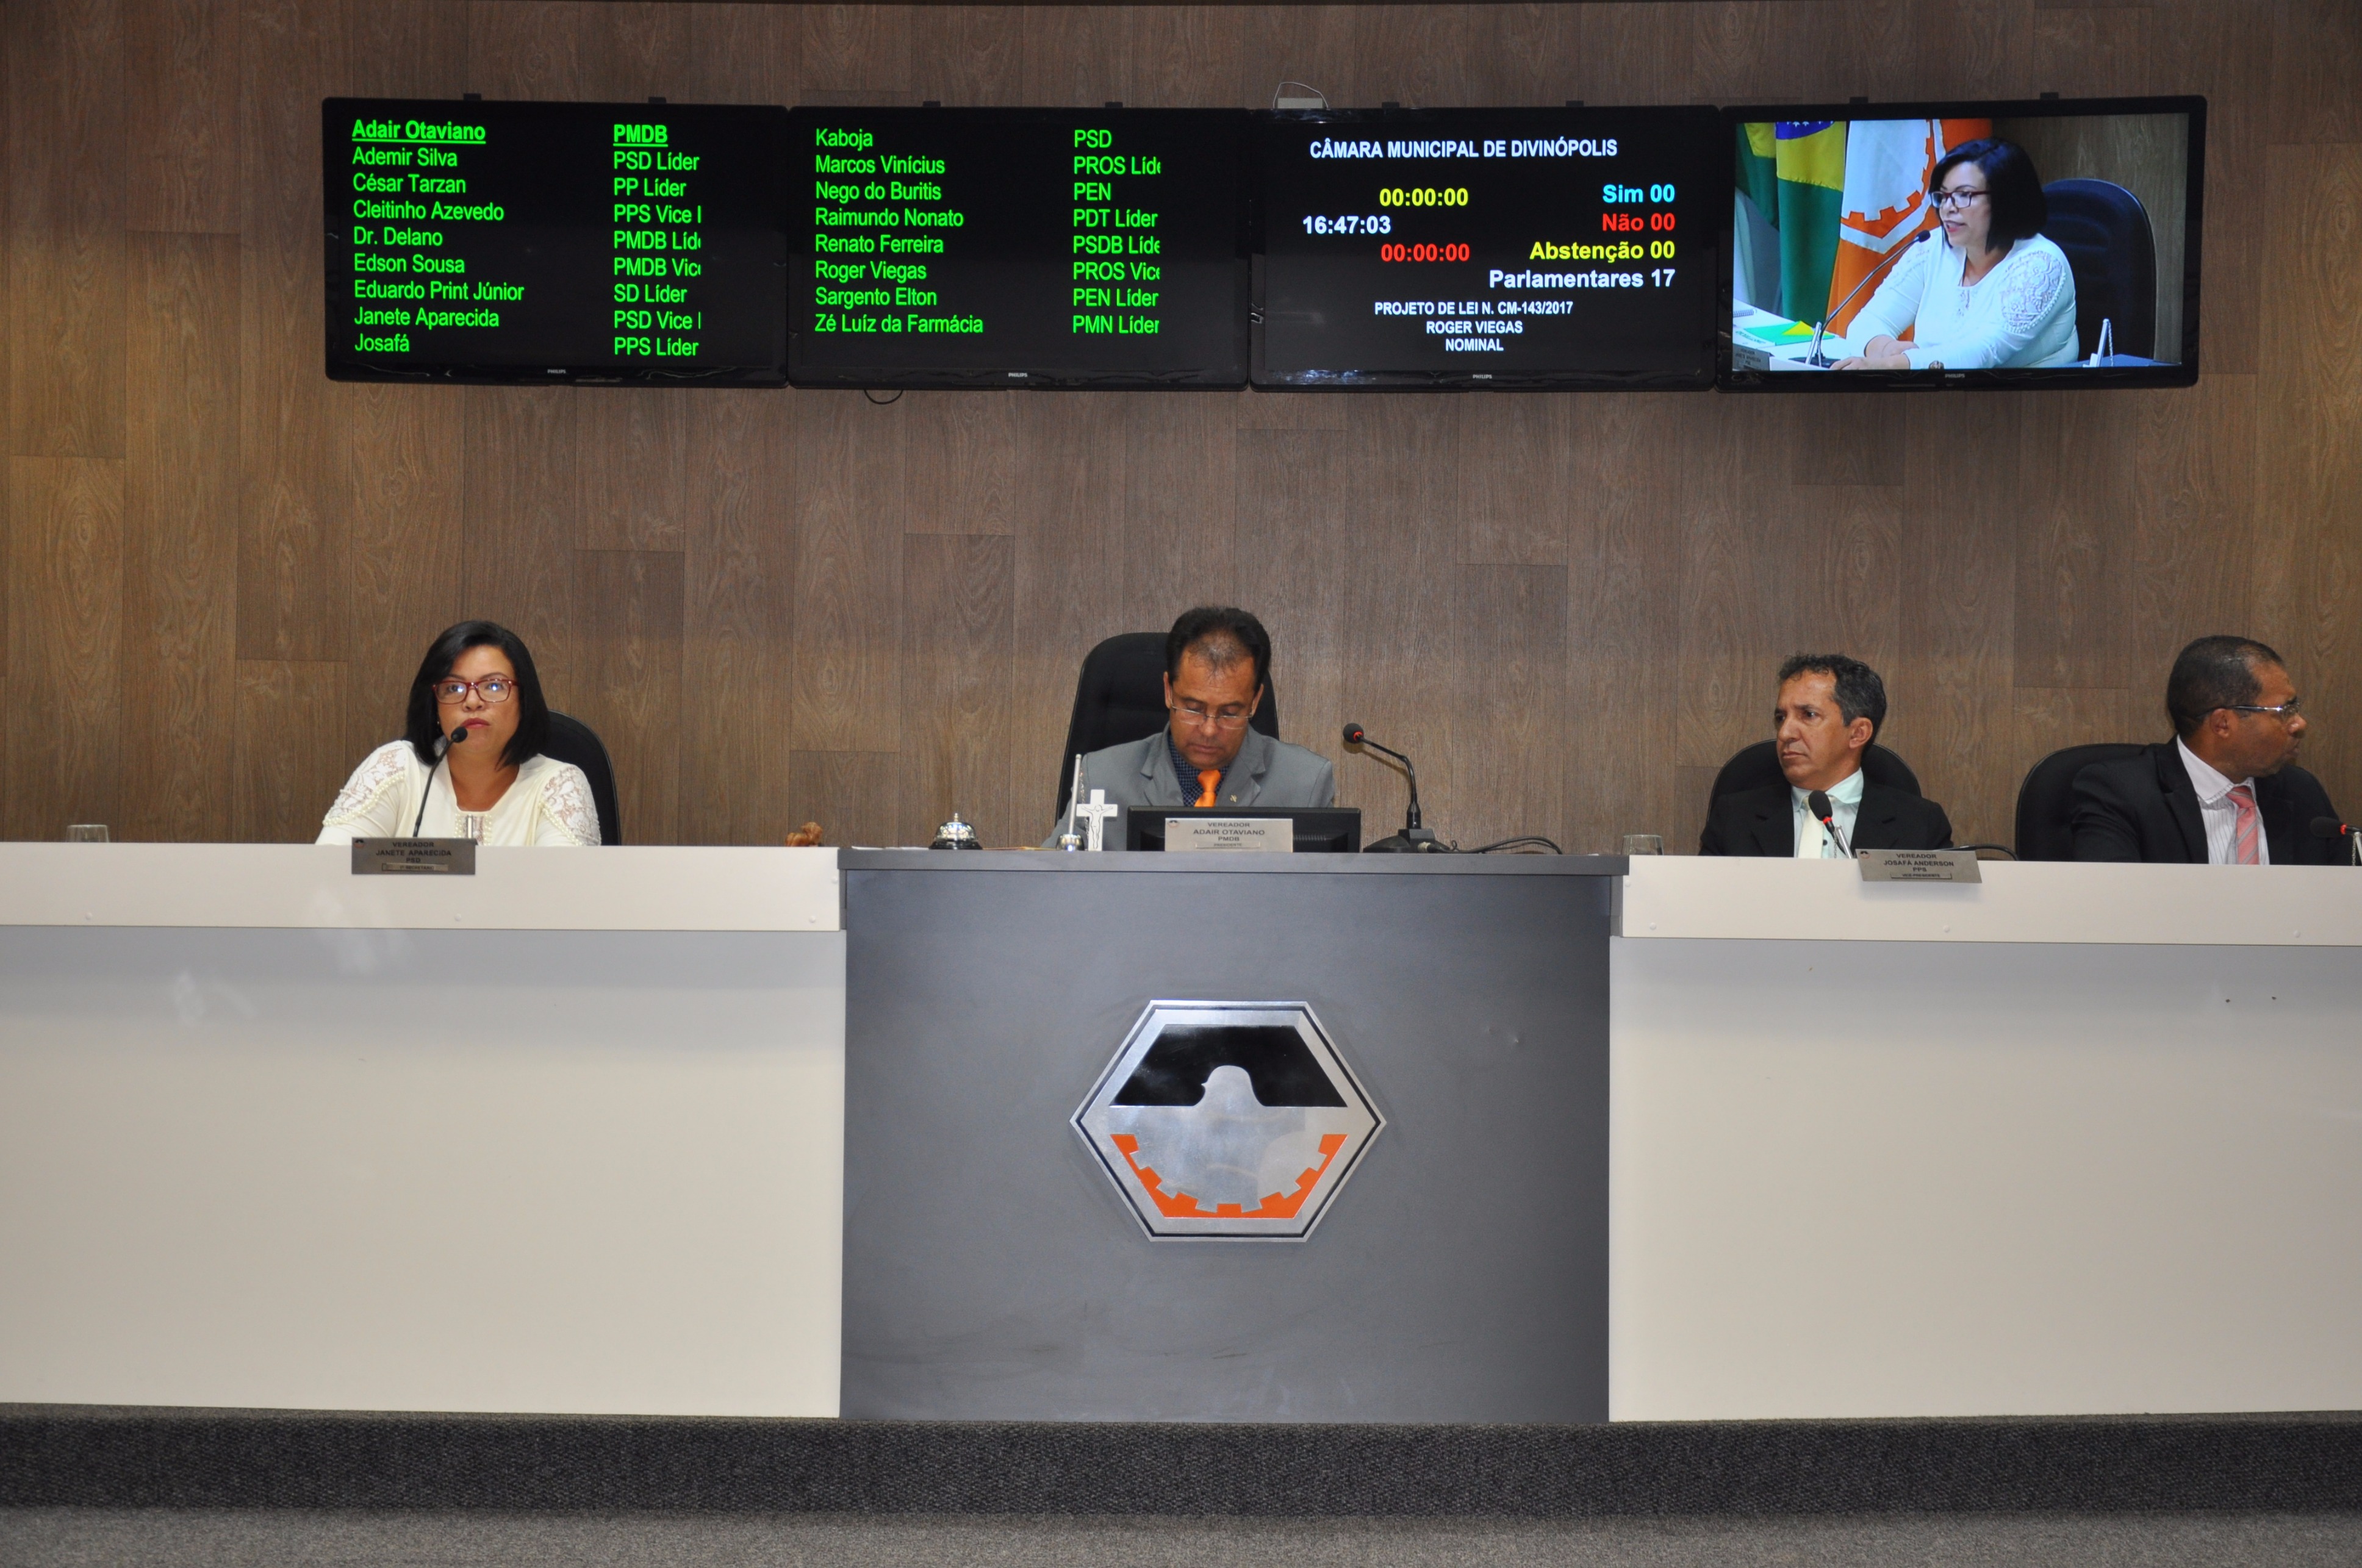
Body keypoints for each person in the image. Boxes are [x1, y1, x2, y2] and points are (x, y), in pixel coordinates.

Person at [1052, 607, 1334, 840]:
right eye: (1193, 709)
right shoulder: (1101, 778)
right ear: (1168, 691)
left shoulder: (1306, 785)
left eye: (1229, 713)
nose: (1209, 730)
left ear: (1255, 701)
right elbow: (1053, 877)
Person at [317, 621, 600, 847]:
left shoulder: (559, 785)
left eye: (494, 686)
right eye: (453, 688)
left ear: (524, 700)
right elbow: (329, 873)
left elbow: (562, 893)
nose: (473, 702)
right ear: (435, 706)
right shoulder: (396, 769)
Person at [2071, 636, 2341, 864]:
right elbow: (2111, 901)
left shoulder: (2300, 791)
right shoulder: (2119, 794)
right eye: (2284, 711)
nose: (2299, 724)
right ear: (2222, 724)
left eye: (2295, 708)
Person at [1834, 138, 2079, 371]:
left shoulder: (2042, 264)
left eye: (1964, 195)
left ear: (2006, 199)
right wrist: (1885, 349)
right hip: (1934, 392)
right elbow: (1867, 322)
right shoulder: (1932, 246)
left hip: (2029, 397)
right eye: (1943, 196)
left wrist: (1893, 365)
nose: (1948, 208)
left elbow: (1982, 352)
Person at [1700, 654, 1953, 856]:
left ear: (1858, 733)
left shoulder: (1920, 825)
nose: (1785, 733)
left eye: (1808, 715)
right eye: (1781, 717)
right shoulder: (1734, 819)